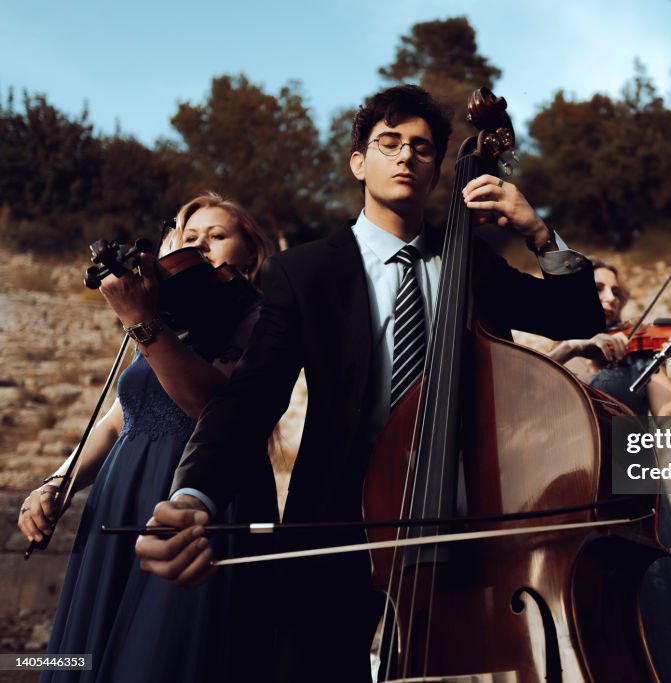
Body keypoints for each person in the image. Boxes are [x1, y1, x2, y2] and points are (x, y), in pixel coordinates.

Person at [135, 84, 605, 681]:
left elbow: (578, 318)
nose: (407, 155)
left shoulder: (471, 261)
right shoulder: (304, 272)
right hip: (338, 524)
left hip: (464, 521)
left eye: (423, 148)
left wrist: (538, 234)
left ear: (438, 171)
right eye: (389, 143)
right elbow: (252, 397)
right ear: (360, 162)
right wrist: (191, 494)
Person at [17, 192, 277, 682]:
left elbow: (214, 410)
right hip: (122, 496)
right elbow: (118, 419)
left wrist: (141, 321)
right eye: (190, 237)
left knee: (161, 661)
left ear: (250, 252)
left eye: (218, 237)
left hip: (198, 497)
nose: (200, 246)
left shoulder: (257, 317)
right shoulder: (167, 318)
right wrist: (58, 482)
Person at [548, 259, 671, 682]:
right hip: (573, 507)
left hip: (635, 503)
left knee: (654, 622)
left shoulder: (638, 357)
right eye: (598, 289)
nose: (609, 299)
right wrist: (568, 349)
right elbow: (522, 404)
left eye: (615, 294)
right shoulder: (552, 359)